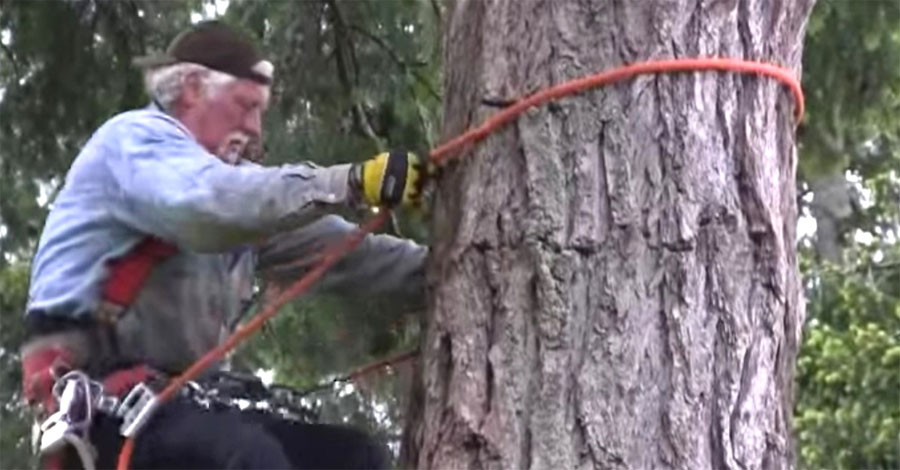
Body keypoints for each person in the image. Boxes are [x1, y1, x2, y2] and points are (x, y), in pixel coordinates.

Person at [20, 20, 427, 469]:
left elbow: (346, 253)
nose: (255, 129)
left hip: (175, 410)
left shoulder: (242, 193)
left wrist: (441, 267)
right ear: (193, 88)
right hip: (105, 417)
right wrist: (347, 182)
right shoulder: (135, 143)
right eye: (245, 106)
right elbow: (205, 206)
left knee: (352, 457)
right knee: (252, 460)